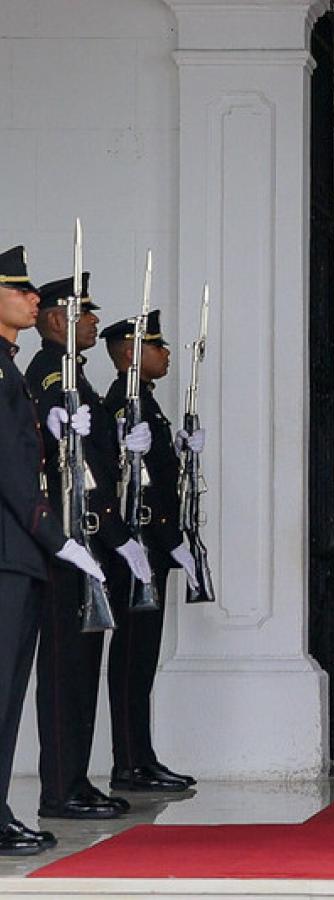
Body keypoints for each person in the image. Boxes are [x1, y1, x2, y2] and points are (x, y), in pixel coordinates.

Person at [26, 273, 155, 820]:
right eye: (85, 314)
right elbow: (72, 476)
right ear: (57, 319)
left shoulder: (73, 374)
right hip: (68, 544)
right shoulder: (51, 375)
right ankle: (60, 788)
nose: (94, 323)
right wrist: (115, 535)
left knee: (81, 670)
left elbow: (99, 464)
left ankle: (75, 781)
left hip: (89, 544)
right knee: (65, 672)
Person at [0, 246, 107, 855]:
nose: (33, 297)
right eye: (19, 290)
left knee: (11, 693)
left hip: (20, 554)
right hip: (13, 551)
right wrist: (57, 537)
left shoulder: (10, 368)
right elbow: (15, 475)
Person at [100, 309, 202, 794]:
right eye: (155, 346)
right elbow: (137, 489)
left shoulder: (147, 404)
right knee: (132, 658)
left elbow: (161, 476)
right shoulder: (126, 403)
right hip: (137, 551)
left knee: (142, 658)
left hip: (152, 549)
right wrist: (170, 538)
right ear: (130, 354)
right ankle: (130, 762)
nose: (164, 354)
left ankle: (140, 756)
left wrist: (182, 449)